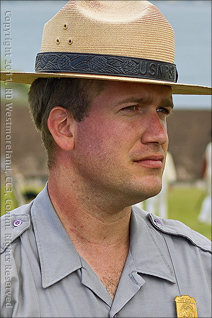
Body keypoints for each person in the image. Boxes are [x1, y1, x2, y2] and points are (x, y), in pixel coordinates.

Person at [1, 1, 211, 317]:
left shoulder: (200, 268)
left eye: (162, 110)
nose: (159, 134)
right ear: (64, 127)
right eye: (132, 108)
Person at [145, 151, 177, 218]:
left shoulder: (166, 155)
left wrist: (171, 182)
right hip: (152, 181)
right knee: (152, 202)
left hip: (162, 182)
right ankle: (151, 218)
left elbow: (169, 169)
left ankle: (162, 218)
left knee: (161, 202)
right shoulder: (166, 155)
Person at [198, 140, 211, 224]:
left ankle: (204, 216)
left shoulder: (209, 146)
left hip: (209, 173)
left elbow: (205, 160)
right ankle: (204, 217)